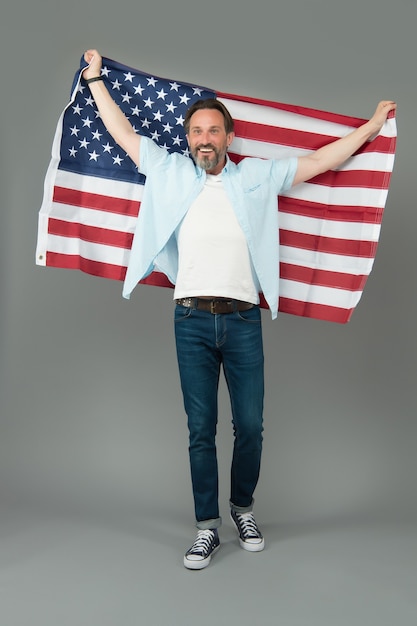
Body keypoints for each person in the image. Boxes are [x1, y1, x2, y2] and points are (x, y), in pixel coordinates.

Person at [82, 49, 396, 570]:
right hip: (191, 321)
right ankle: (207, 527)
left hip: (243, 320)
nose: (203, 139)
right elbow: (123, 135)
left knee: (250, 425)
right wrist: (95, 80)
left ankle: (242, 508)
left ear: (228, 137)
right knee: (199, 429)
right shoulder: (170, 171)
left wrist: (369, 127)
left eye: (213, 131)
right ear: (189, 139)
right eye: (196, 132)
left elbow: (319, 162)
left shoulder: (256, 178)